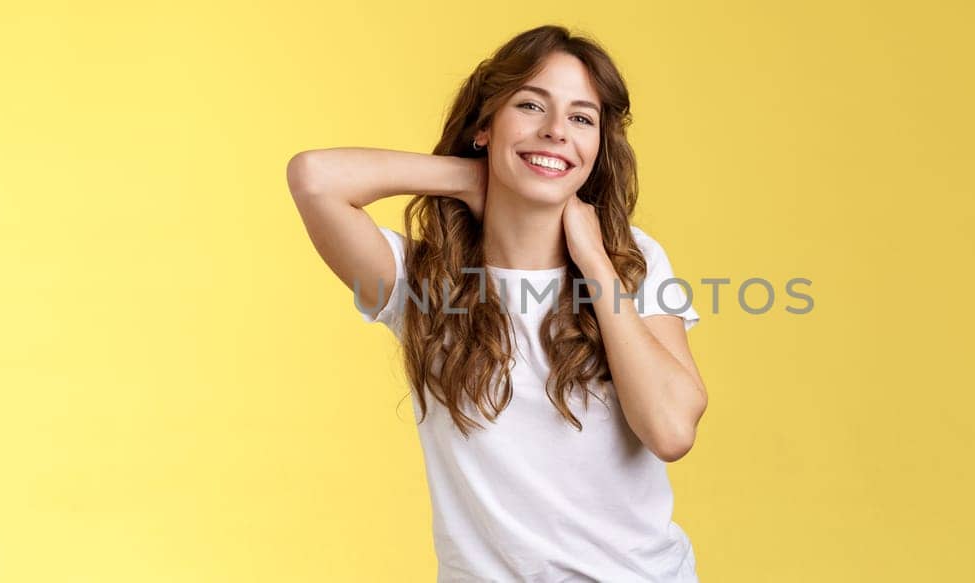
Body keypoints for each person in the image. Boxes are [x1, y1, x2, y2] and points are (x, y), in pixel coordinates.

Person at [286, 24, 706, 582]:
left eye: (581, 118)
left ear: (598, 146)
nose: (556, 131)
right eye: (532, 106)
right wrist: (469, 176)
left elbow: (672, 429)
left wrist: (595, 262)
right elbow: (315, 179)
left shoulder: (633, 260)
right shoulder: (422, 282)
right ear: (485, 125)